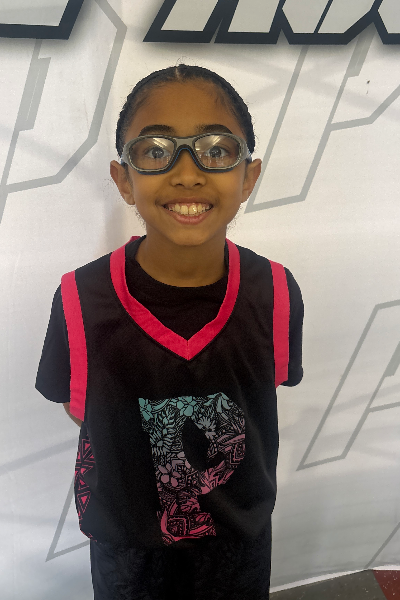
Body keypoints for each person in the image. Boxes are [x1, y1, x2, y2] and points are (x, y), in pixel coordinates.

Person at [36, 64, 304, 600]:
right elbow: (80, 406)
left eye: (217, 150)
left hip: (238, 550)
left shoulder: (274, 291)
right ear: (123, 180)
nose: (187, 173)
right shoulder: (80, 299)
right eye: (155, 150)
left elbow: (265, 387)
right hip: (128, 555)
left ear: (249, 177)